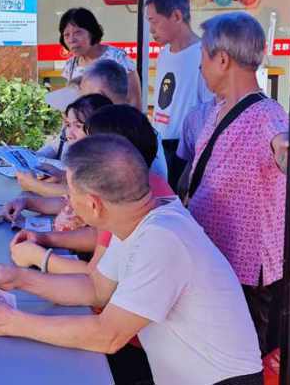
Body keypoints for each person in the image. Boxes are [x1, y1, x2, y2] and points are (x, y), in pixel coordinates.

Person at [0, 135, 263, 385]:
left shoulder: (162, 239)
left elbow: (108, 336)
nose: (67, 202)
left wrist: (9, 322)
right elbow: (95, 289)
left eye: (70, 194)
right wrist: (18, 278)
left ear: (94, 204)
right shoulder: (139, 223)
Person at [187, 12, 290, 356]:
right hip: (218, 263)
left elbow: (281, 144)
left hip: (247, 277)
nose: (200, 67)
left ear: (222, 59)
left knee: (247, 361)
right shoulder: (219, 109)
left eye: (203, 57)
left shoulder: (267, 115)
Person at [10, 104, 174, 276]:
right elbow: (100, 237)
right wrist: (42, 238)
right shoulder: (139, 185)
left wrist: (40, 259)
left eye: (90, 143)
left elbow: (95, 279)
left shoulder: (135, 200)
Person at [146, 0, 214, 191]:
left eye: (154, 21)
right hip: (160, 145)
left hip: (186, 150)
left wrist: (194, 159)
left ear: (176, 16)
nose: (151, 30)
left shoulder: (203, 54)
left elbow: (210, 111)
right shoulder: (164, 54)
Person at [80, 59, 168, 179]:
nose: (82, 104)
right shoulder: (138, 126)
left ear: (100, 95)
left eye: (86, 98)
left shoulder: (127, 132)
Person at [15, 93, 112, 198]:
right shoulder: (85, 156)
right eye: (68, 125)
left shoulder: (108, 162)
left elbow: (82, 196)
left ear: (100, 128)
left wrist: (35, 186)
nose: (69, 134)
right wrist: (61, 175)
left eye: (78, 126)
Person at [59, 7, 142, 109]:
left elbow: (134, 101)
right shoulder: (70, 65)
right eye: (66, 35)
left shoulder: (117, 58)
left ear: (92, 32)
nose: (71, 40)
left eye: (78, 32)